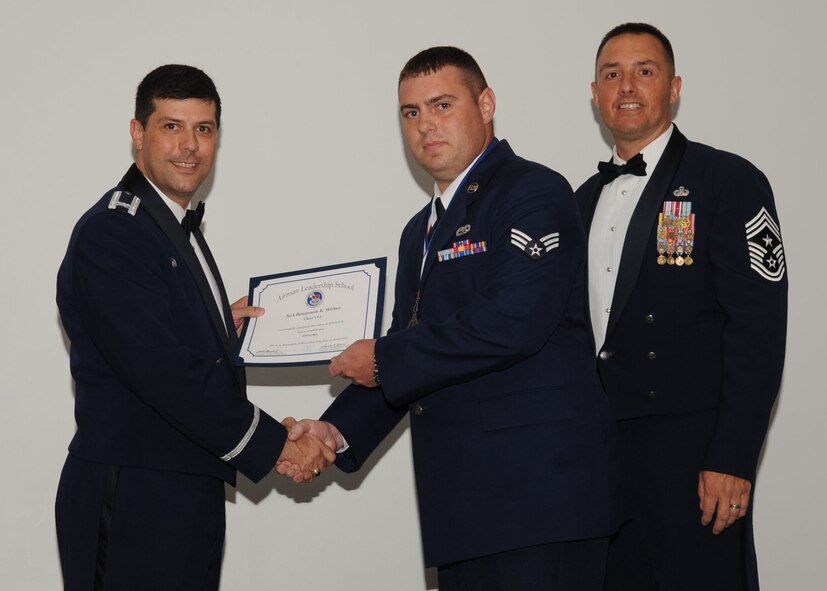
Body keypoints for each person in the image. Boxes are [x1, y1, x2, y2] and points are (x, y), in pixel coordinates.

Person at [282, 46, 620, 590]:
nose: (425, 125)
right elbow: (409, 354)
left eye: (442, 105)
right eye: (411, 113)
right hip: (464, 509)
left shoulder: (532, 191)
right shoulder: (419, 230)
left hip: (541, 503)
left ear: (486, 104)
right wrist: (333, 431)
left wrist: (385, 358)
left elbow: (513, 321)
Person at [55, 64, 334, 591]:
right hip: (135, 497)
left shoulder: (168, 226)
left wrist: (214, 323)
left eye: (203, 129)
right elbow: (166, 373)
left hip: (183, 489)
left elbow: (155, 334)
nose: (189, 145)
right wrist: (277, 443)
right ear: (138, 133)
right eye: (171, 126)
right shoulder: (115, 231)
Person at [576, 23, 788, 590]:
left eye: (644, 72)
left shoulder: (729, 180)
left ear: (673, 88)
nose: (627, 86)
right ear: (594, 94)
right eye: (611, 74)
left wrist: (734, 458)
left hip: (695, 458)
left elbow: (759, 331)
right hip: (603, 459)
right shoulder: (579, 201)